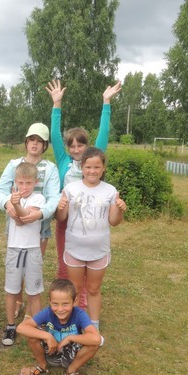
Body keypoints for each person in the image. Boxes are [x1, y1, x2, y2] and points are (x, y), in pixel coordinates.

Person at [47, 79, 122, 290]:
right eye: (72, 146)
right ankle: (65, 302)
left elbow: (103, 133)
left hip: (91, 220)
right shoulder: (64, 161)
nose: (76, 150)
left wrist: (106, 102)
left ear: (87, 146)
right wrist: (56, 104)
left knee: (89, 269)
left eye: (80, 145)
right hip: (66, 220)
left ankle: (84, 302)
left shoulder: (93, 159)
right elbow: (54, 135)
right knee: (64, 266)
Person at [0, 122, 60, 320]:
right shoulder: (14, 164)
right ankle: (17, 301)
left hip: (40, 227)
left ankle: (31, 313)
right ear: (26, 142)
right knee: (16, 267)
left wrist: (41, 214)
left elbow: (54, 197)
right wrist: (7, 204)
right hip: (15, 225)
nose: (35, 144)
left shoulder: (50, 168)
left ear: (45, 145)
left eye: (40, 141)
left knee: (33, 267)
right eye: (32, 139)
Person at [56, 147, 127, 331]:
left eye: (96, 167)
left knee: (94, 289)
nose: (92, 171)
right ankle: (73, 326)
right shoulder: (70, 189)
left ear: (103, 168)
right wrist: (60, 207)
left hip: (99, 251)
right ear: (82, 168)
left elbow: (114, 221)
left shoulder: (110, 191)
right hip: (74, 250)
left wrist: (120, 209)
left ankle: (93, 326)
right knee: (75, 289)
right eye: (88, 167)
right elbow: (61, 218)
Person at [16, 279, 102, 375]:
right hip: (51, 350)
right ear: (50, 301)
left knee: (93, 343)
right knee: (32, 334)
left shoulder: (79, 314)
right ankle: (42, 367)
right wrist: (48, 336)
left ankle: (71, 371)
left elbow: (96, 338)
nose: (60, 309)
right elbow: (21, 328)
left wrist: (70, 338)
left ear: (74, 301)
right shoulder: (47, 312)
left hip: (71, 354)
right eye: (55, 304)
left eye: (65, 304)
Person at [2, 162, 46, 347]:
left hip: (33, 250)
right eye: (21, 183)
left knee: (34, 292)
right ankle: (10, 326)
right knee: (11, 291)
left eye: (28, 183)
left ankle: (37, 328)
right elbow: (18, 220)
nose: (24, 187)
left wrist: (16, 205)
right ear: (15, 182)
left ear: (36, 182)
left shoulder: (39, 198)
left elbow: (24, 219)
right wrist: (14, 204)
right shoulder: (11, 198)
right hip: (14, 249)